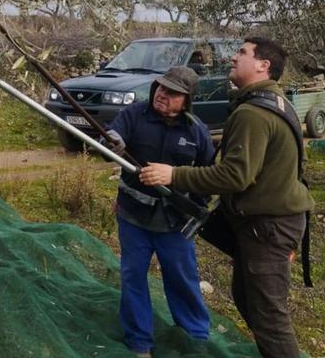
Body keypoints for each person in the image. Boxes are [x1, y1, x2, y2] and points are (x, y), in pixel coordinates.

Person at [140, 37, 314, 358]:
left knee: (269, 316)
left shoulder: (254, 113)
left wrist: (173, 175)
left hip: (269, 227)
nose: (233, 58)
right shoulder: (275, 103)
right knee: (247, 298)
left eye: (242, 53)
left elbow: (235, 176)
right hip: (271, 224)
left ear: (263, 66)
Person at [103, 66, 213, 358]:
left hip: (175, 222)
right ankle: (140, 342)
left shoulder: (197, 131)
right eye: (161, 88)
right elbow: (112, 138)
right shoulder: (134, 115)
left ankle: (195, 337)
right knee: (132, 276)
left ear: (186, 100)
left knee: (182, 279)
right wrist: (112, 141)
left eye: (173, 92)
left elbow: (207, 176)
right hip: (133, 217)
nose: (163, 94)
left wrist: (196, 211)